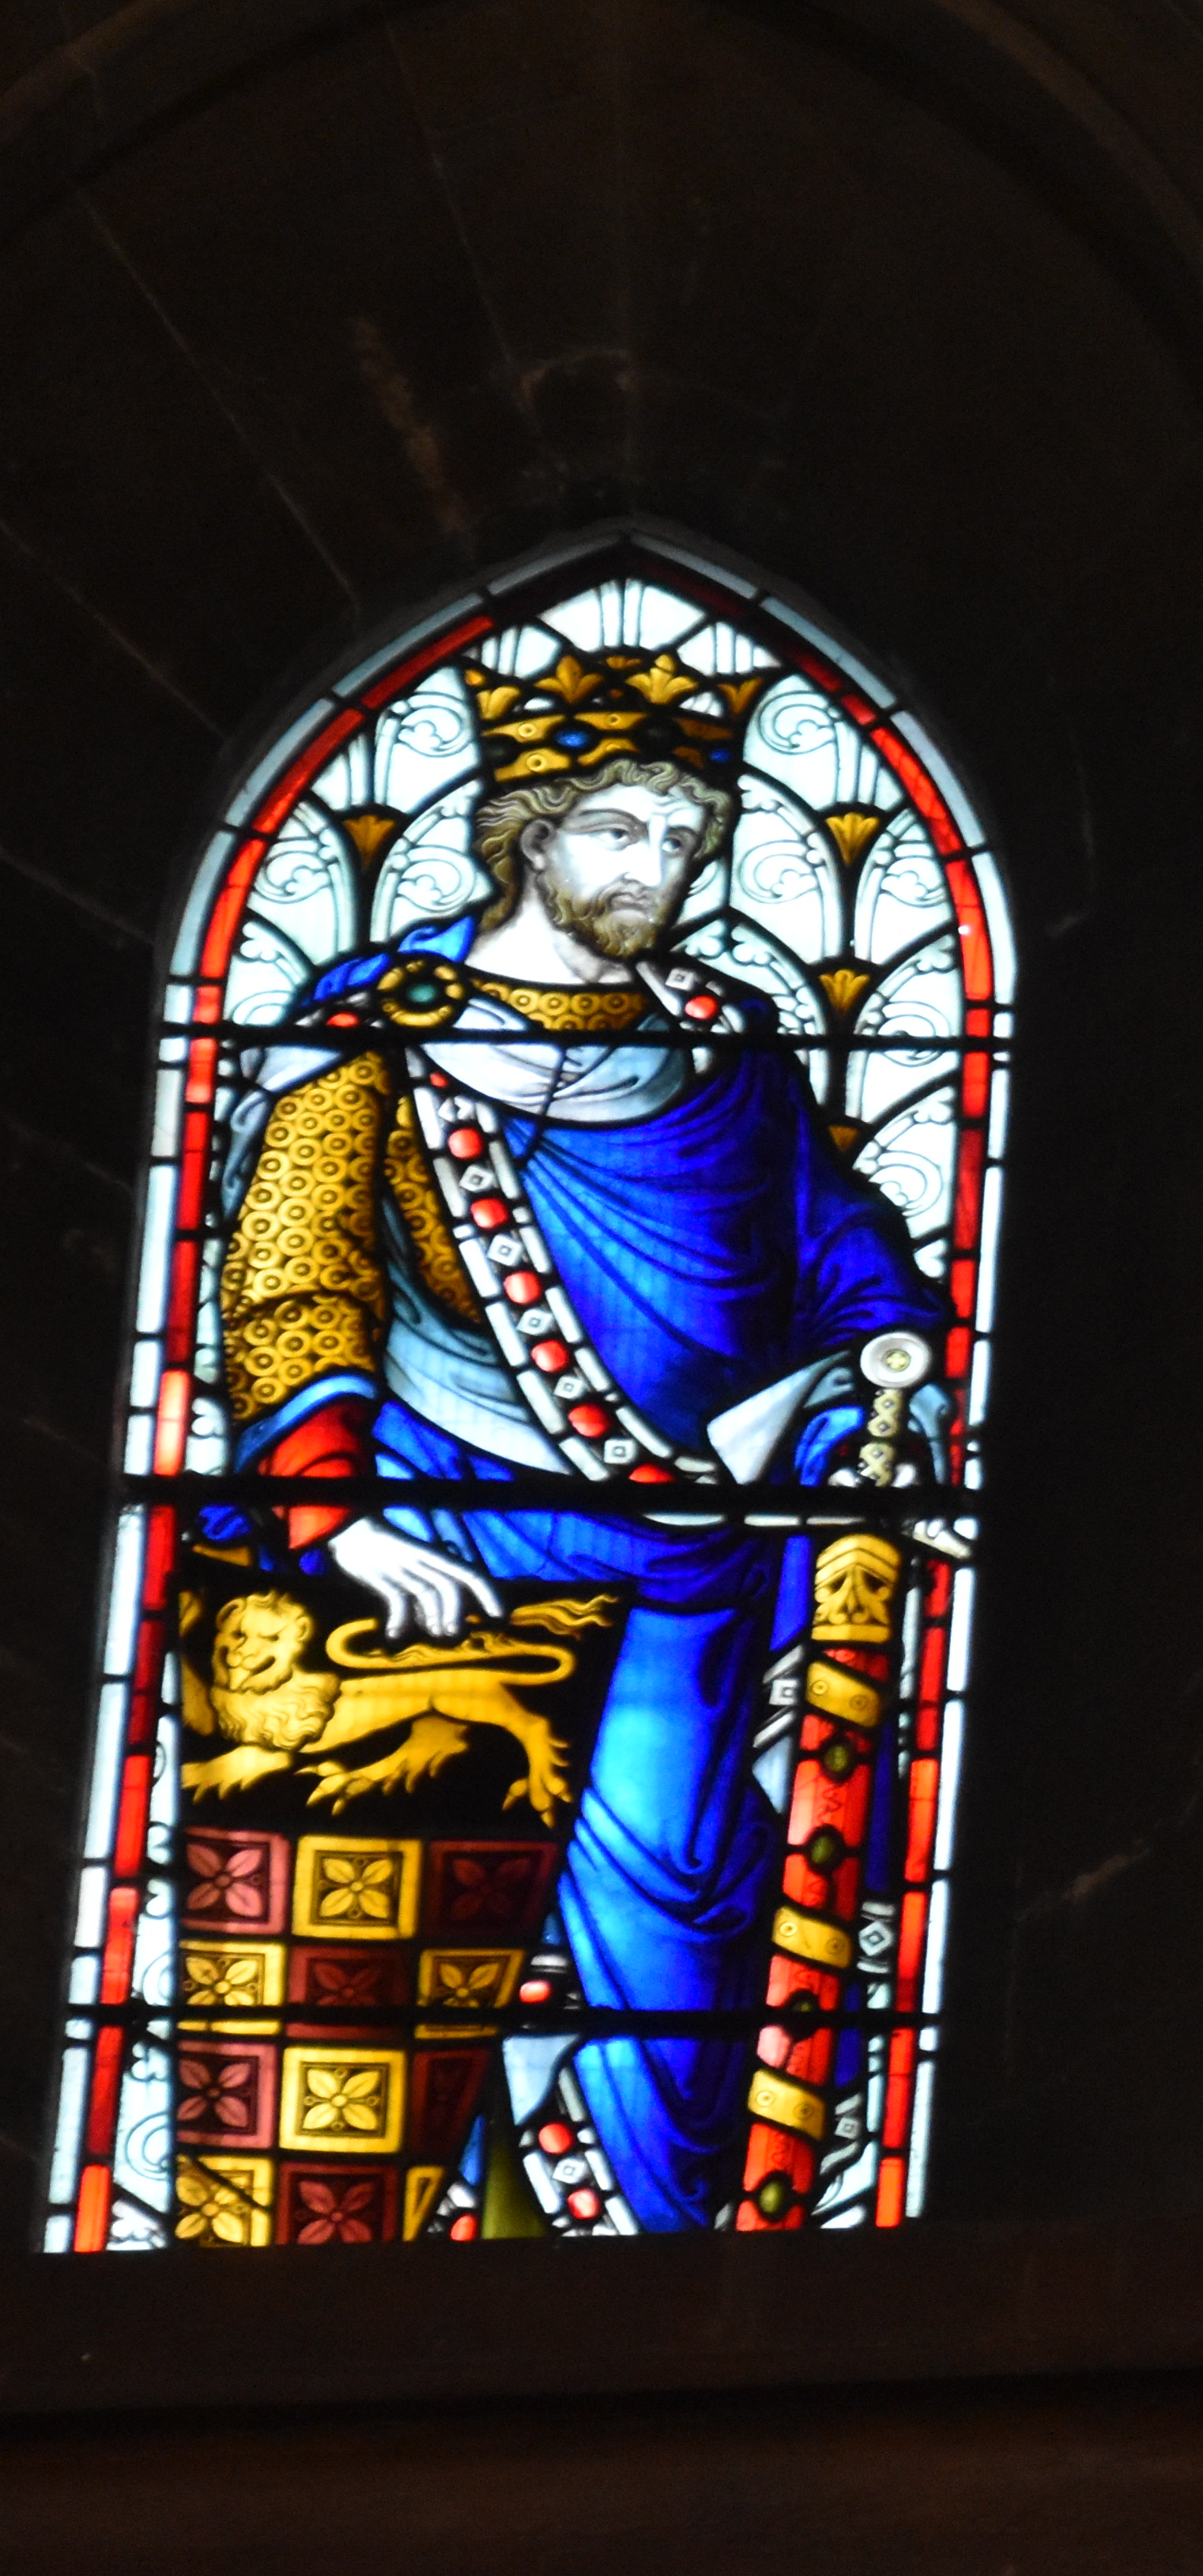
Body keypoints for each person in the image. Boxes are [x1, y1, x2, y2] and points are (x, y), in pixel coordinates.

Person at [214, 641, 946, 2233]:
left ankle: (640, 2267)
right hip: (447, 1536)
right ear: (529, 832)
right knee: (406, 1936)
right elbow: (294, 1269)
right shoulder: (378, 1029)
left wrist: (880, 1336)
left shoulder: (725, 1043)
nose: (657, 870)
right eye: (621, 831)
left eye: (685, 843)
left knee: (678, 1927)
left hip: (697, 1557)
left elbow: (830, 1234)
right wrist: (334, 1513)